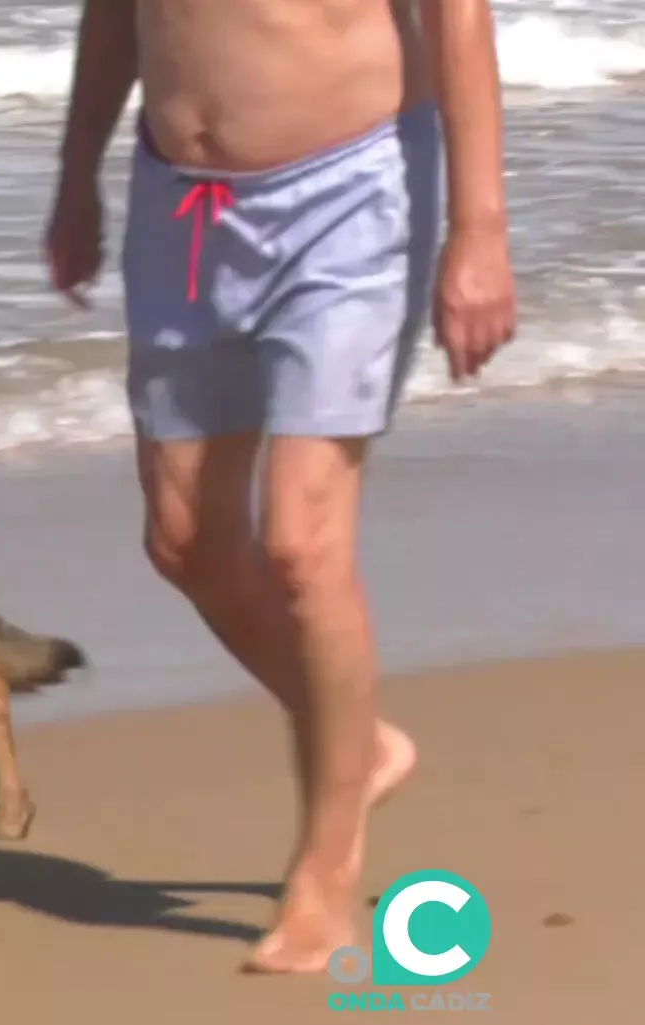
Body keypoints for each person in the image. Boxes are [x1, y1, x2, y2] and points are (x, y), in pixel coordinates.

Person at [42, 0, 516, 974]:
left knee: (301, 542)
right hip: (183, 198)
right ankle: (364, 747)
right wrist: (76, 177)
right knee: (184, 540)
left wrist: (479, 228)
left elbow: (457, 17)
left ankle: (326, 885)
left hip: (353, 189)